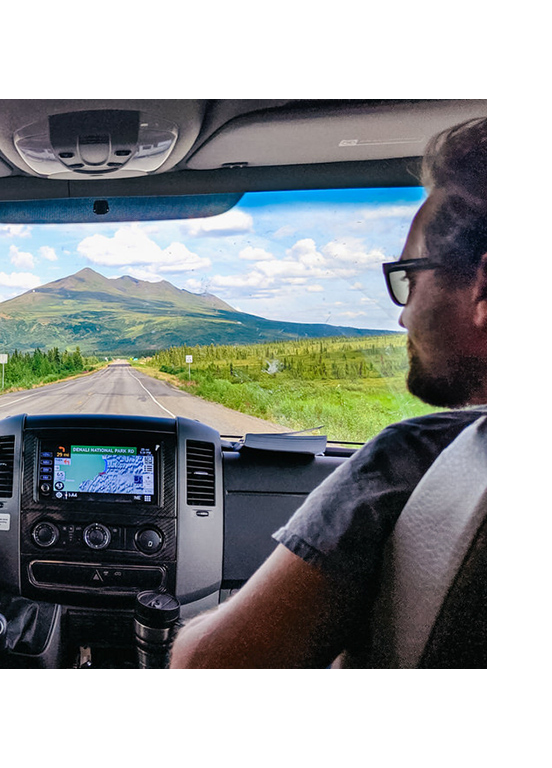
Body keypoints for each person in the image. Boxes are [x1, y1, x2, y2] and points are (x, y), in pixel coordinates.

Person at [169, 117, 486, 668]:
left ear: (486, 287)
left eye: (410, 277)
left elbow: (205, 667)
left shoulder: (413, 460)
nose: (404, 313)